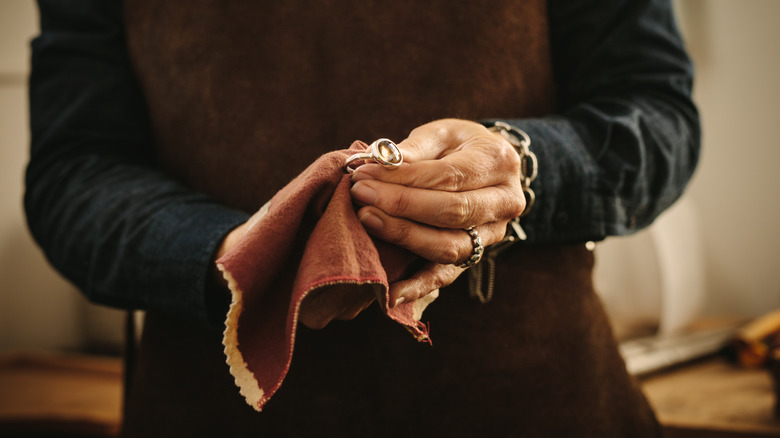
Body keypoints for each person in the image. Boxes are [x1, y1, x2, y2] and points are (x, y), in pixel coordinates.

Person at [26, 0, 699, 436]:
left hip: (539, 404)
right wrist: (237, 258)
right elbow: (73, 174)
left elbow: (658, 117)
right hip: (210, 410)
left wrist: (521, 165)